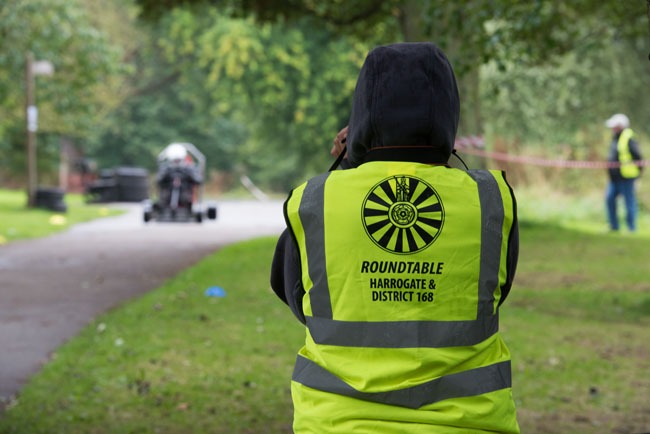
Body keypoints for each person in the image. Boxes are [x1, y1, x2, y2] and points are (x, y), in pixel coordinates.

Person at [270, 42, 520, 433]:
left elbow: (299, 296)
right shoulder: (489, 199)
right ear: (448, 115)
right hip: (470, 423)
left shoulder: (318, 199)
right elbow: (491, 294)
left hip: (339, 424)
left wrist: (347, 164)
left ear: (361, 115)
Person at [604, 113, 643, 232]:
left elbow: (638, 157)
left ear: (620, 126)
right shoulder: (615, 138)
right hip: (614, 177)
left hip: (626, 177)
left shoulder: (628, 137)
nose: (612, 129)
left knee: (629, 202)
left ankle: (631, 228)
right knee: (609, 199)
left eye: (614, 126)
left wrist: (638, 175)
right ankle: (614, 226)